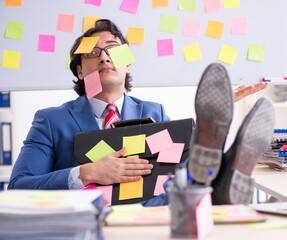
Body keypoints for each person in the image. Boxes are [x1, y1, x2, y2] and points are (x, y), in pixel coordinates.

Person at [8, 19, 272, 206]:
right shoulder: (51, 120)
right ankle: (213, 163)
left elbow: (173, 173)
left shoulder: (154, 112)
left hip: (150, 217)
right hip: (89, 221)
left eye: (113, 49)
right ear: (79, 70)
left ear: (128, 64)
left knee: (188, 171)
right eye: (92, 52)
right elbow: (19, 187)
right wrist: (85, 173)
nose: (104, 57)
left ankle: (213, 151)